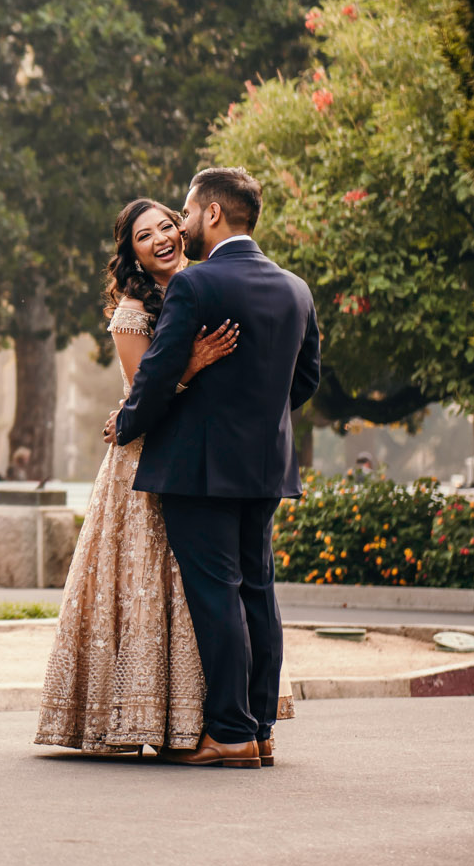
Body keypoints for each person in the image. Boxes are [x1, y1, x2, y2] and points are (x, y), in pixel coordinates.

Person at [101, 167, 321, 768]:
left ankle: (228, 732)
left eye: (188, 213)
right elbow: (304, 382)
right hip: (266, 466)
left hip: (197, 468)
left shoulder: (195, 288)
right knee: (258, 592)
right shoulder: (296, 289)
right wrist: (254, 421)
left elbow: (152, 380)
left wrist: (127, 425)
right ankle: (261, 729)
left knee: (216, 596)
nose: (183, 223)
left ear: (213, 215)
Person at [33, 198, 239, 757]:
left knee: (196, 587)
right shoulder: (132, 309)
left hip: (200, 458)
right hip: (144, 459)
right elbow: (141, 392)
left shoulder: (205, 286)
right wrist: (192, 364)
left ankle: (201, 720)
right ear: (132, 254)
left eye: (168, 226)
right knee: (148, 583)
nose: (162, 239)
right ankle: (140, 717)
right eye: (145, 237)